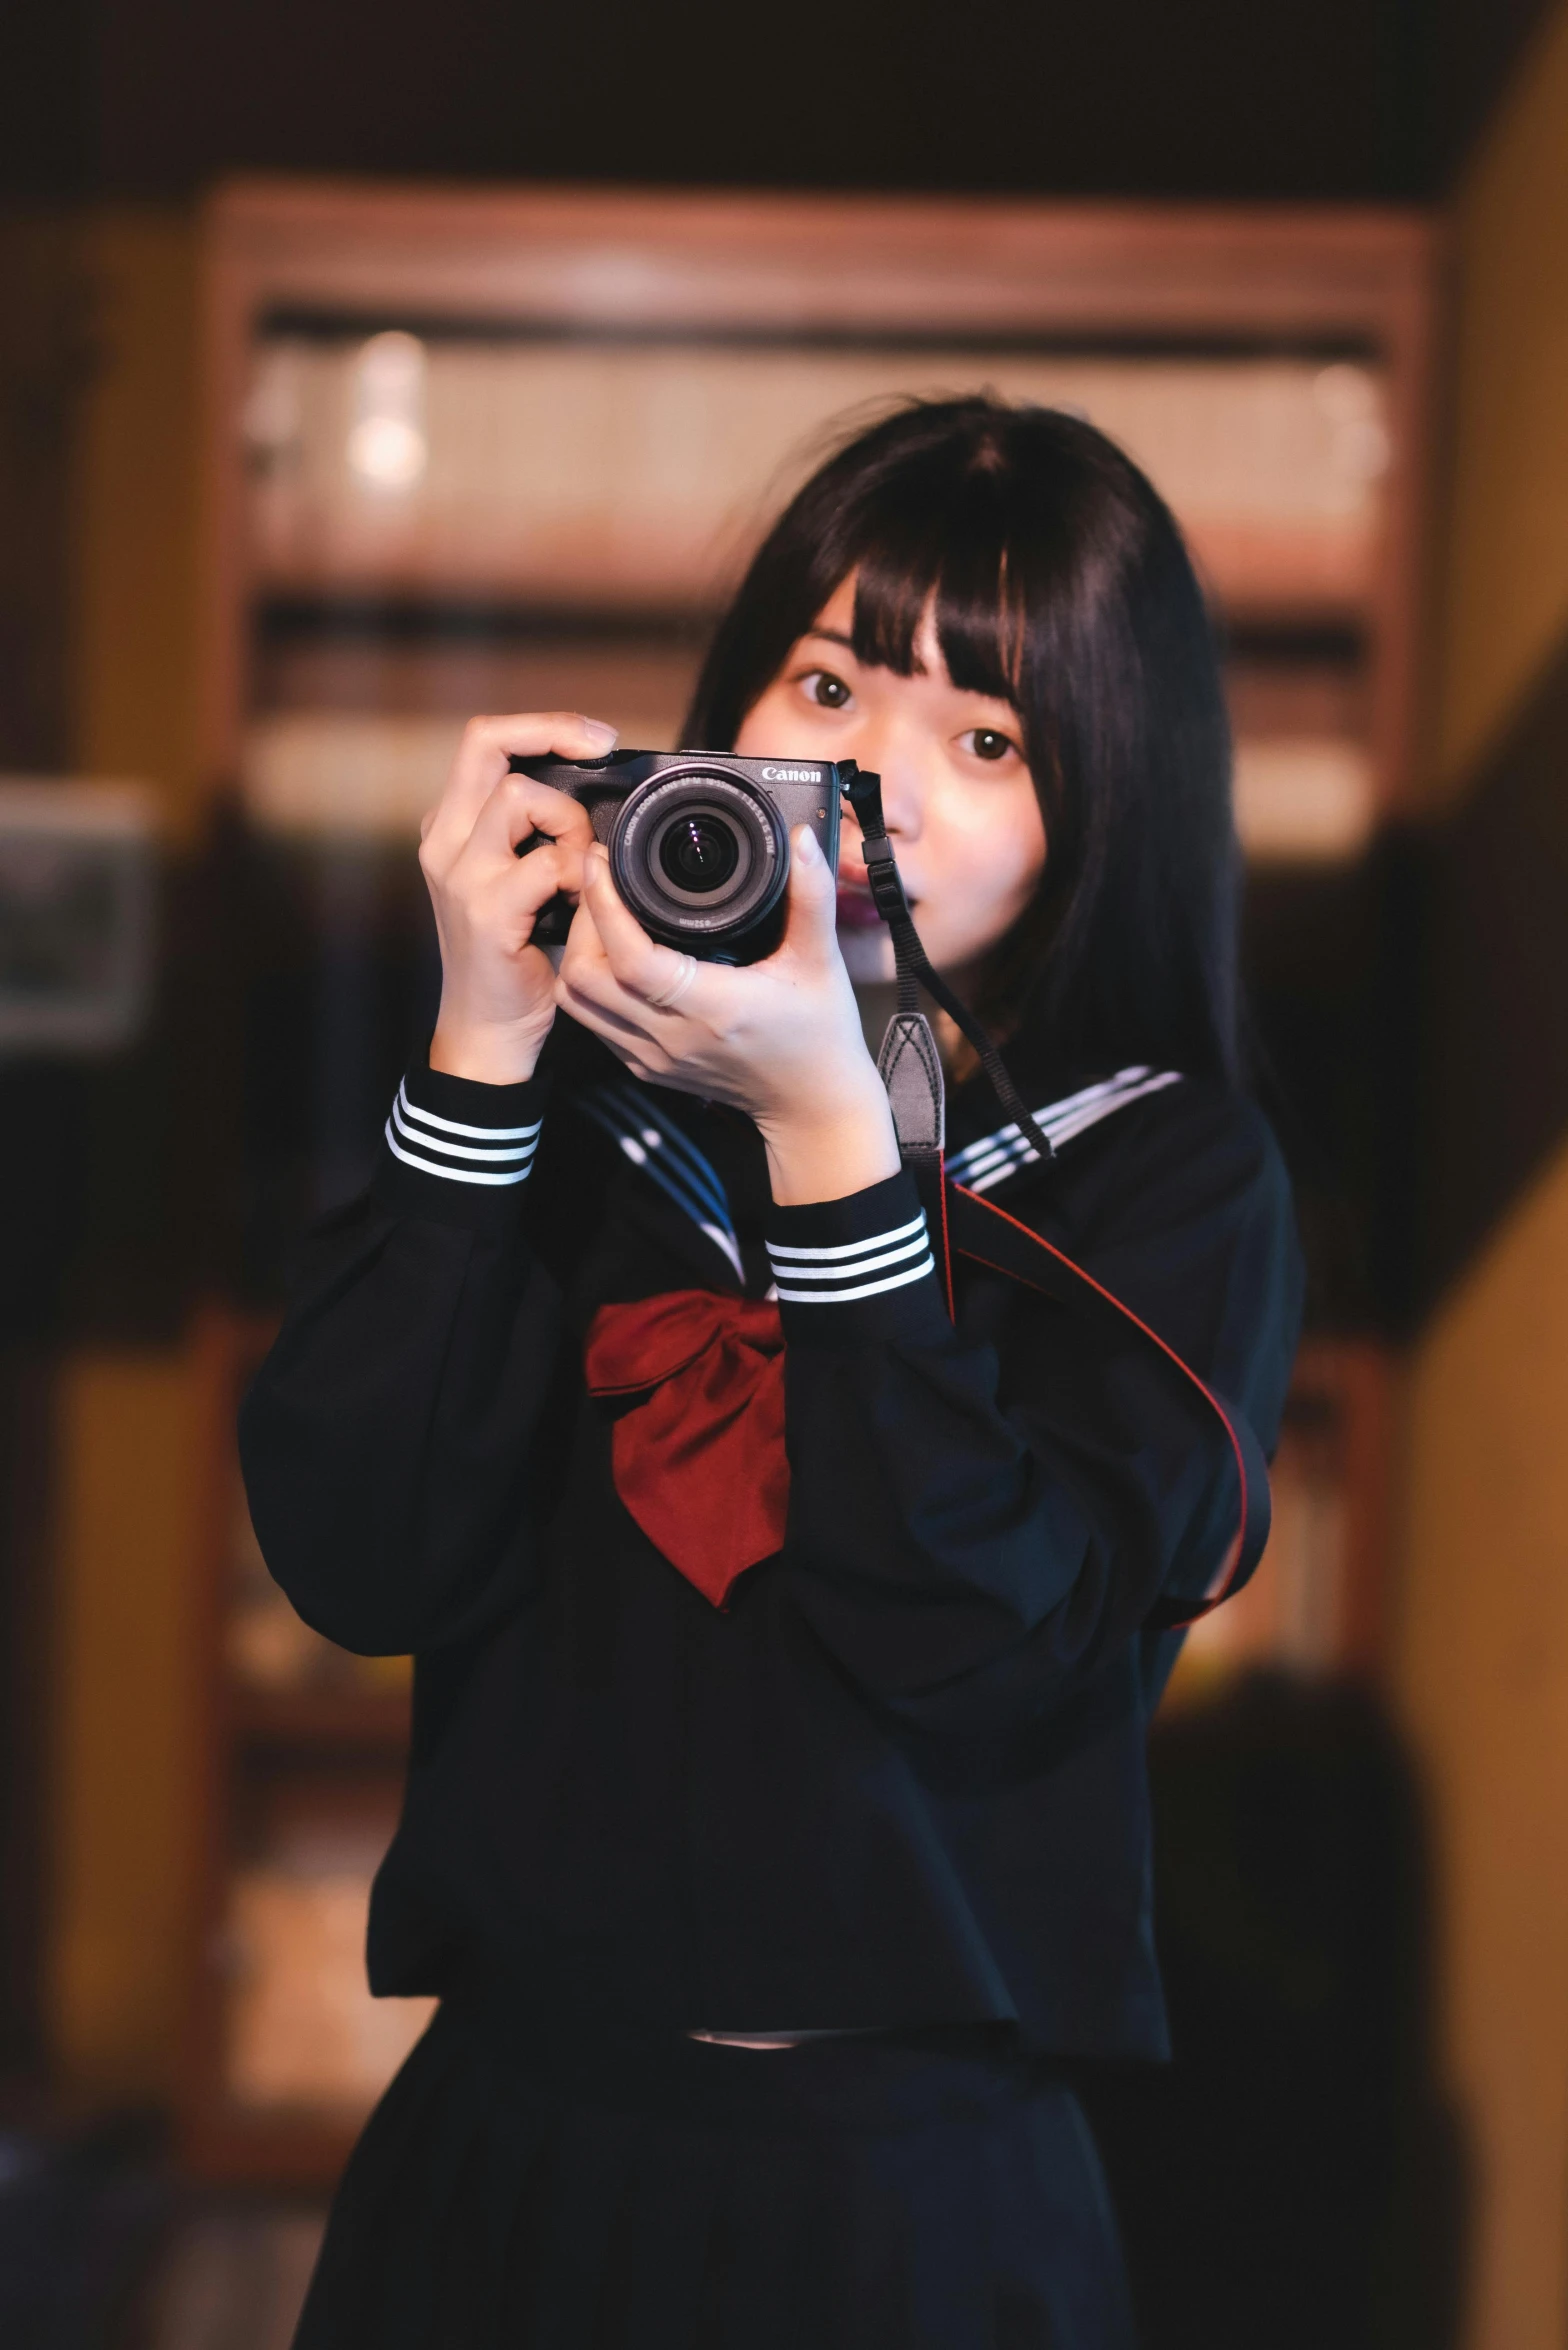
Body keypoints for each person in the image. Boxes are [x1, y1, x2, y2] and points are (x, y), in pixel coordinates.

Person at [241, 396, 1303, 2348]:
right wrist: (480, 1046)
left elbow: (978, 1647)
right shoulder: (570, 1102)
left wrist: (835, 1139)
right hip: (512, 2150)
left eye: (984, 735)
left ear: (1109, 802)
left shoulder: (1168, 1177)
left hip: (912, 2192)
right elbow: (353, 1558)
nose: (876, 774)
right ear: (718, 714)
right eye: (826, 681)